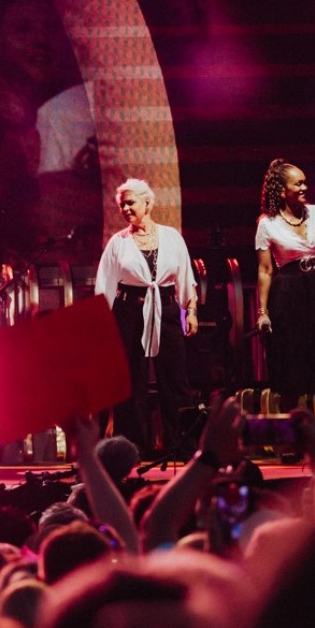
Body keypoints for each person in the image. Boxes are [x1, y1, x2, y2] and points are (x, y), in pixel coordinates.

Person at [95, 178, 198, 457]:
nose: (126, 208)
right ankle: (133, 447)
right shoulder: (118, 243)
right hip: (128, 310)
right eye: (122, 205)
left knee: (174, 379)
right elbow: (104, 285)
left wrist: (190, 310)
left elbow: (185, 275)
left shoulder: (171, 237)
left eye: (131, 202)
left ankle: (181, 445)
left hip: (164, 308)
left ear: (147, 203)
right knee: (132, 381)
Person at [253, 160, 315, 426]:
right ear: (282, 190)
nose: (305, 187)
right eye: (298, 183)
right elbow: (265, 271)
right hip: (287, 293)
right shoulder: (267, 223)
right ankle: (291, 439)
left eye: (305, 182)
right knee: (291, 369)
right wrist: (263, 312)